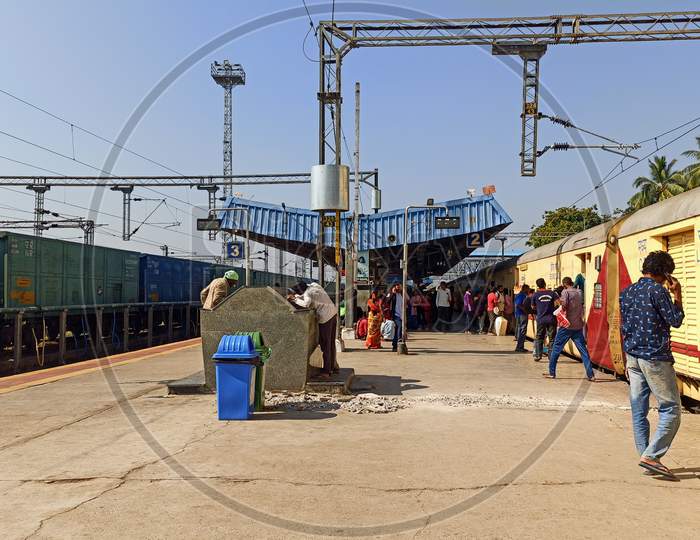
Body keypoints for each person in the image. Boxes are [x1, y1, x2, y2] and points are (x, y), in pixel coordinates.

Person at [620, 251, 685, 479]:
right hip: (655, 358)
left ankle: (645, 456)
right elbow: (675, 320)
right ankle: (652, 456)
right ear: (666, 273)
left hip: (633, 357)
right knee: (671, 409)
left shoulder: (627, 291)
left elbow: (622, 325)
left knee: (639, 410)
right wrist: (677, 295)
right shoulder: (658, 291)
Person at [543, 277, 596, 380]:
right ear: (571, 282)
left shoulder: (565, 292)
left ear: (564, 284)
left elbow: (564, 306)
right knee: (583, 351)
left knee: (556, 349)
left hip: (566, 326)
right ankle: (591, 375)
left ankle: (552, 373)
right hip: (577, 326)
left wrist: (558, 307)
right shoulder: (579, 292)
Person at [290, 281, 338, 379]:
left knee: (325, 345)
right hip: (333, 314)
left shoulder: (308, 294)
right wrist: (298, 297)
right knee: (331, 343)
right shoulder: (314, 285)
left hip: (326, 319)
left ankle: (326, 371)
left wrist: (294, 299)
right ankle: (333, 368)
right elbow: (308, 296)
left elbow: (306, 304)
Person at [531, 278, 556, 361]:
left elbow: (533, 307)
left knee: (539, 337)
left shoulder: (535, 294)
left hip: (541, 319)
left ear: (537, 286)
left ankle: (538, 355)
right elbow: (559, 303)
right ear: (545, 283)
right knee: (552, 338)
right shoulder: (552, 293)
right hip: (551, 319)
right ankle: (551, 356)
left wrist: (540, 307)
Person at [513, 284, 530, 352]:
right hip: (522, 315)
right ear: (525, 289)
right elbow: (518, 305)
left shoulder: (520, 295)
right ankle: (519, 347)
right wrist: (525, 310)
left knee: (521, 330)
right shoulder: (522, 295)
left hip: (519, 314)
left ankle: (520, 346)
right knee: (522, 330)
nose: (529, 290)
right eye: (528, 289)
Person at [388, 284, 404, 352]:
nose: (398, 288)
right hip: (395, 314)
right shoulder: (391, 294)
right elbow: (387, 301)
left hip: (401, 314)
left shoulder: (400, 295)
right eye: (397, 286)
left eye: (399, 286)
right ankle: (399, 340)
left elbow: (407, 299)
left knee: (397, 329)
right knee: (399, 326)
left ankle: (394, 345)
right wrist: (392, 293)